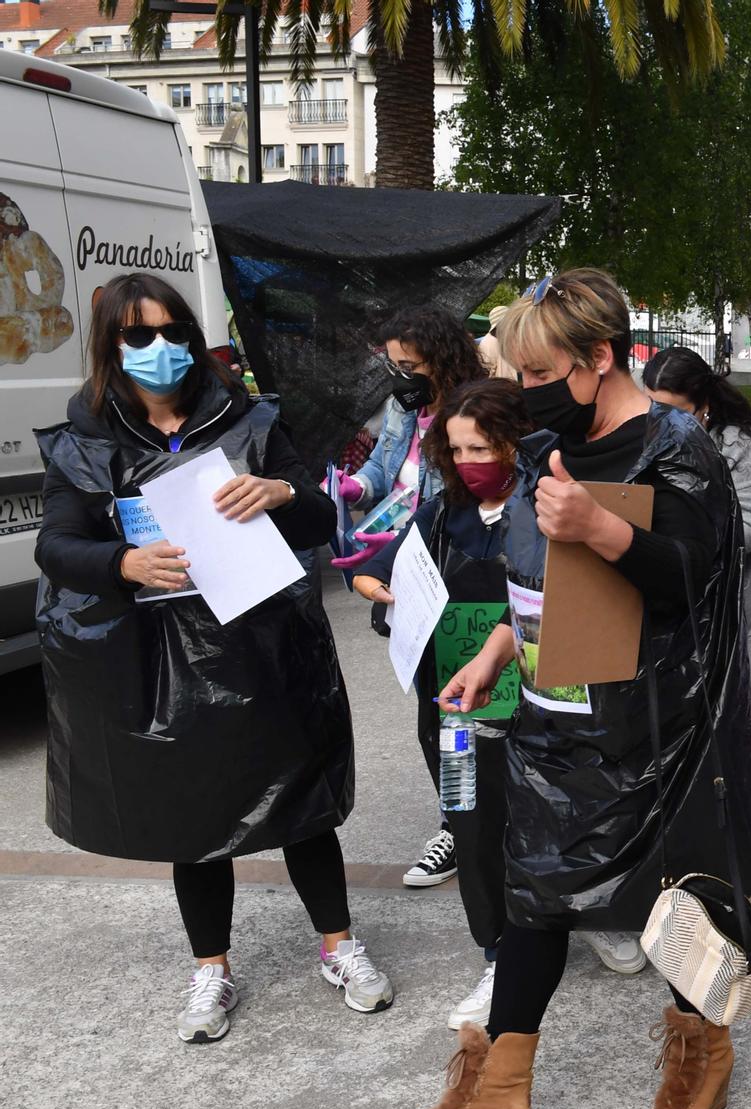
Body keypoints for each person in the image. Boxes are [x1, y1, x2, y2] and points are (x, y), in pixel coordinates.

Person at [382, 268, 751, 1109]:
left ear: (600, 359)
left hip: (662, 723)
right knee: (535, 892)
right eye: (515, 368)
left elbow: (695, 576)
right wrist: (497, 649)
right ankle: (498, 1094)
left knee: (684, 889)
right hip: (558, 714)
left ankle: (700, 1041)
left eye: (541, 368)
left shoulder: (676, 447)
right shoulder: (550, 442)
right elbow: (538, 580)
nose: (525, 387)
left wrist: (602, 527)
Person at [35, 271, 388, 1044]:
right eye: (138, 335)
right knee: (190, 815)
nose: (160, 349)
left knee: (298, 801)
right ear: (110, 347)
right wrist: (121, 565)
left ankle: (338, 944)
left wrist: (282, 495)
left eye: (173, 332)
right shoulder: (88, 442)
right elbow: (56, 544)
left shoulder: (251, 421)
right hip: (162, 661)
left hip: (266, 647)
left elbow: (323, 512)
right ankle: (212, 967)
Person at [351, 379, 529, 1028]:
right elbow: (380, 564)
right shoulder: (440, 516)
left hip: (538, 699)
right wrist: (370, 578)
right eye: (454, 449)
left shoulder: (543, 507)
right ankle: (496, 955)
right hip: (454, 707)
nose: (466, 462)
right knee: (471, 825)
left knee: (554, 816)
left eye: (481, 446)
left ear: (516, 440)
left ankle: (588, 921)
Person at [643, 346, 751, 868]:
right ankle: (690, 805)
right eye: (651, 407)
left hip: (749, 596)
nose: (660, 420)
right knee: (684, 702)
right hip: (683, 594)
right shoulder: (649, 440)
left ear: (703, 407)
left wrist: (665, 539)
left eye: (671, 409)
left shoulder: (741, 445)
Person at [340, 305, 487, 892]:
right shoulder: (404, 407)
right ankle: (457, 823)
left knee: (479, 710)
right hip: (408, 576)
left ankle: (494, 825)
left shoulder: (478, 411)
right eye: (395, 364)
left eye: (411, 364)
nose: (401, 375)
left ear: (442, 358)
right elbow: (382, 470)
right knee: (435, 716)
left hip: (458, 575)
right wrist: (351, 488)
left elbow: (454, 501)